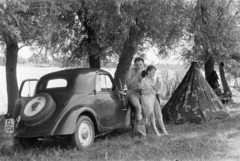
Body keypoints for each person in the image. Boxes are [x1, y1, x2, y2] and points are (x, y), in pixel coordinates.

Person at [140, 65, 168, 136]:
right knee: (152, 115)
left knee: (159, 114)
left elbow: (156, 90)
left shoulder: (154, 80)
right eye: (153, 72)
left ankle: (164, 130)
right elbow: (143, 92)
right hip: (147, 99)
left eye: (154, 72)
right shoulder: (143, 80)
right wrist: (152, 88)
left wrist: (158, 84)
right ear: (148, 71)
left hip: (153, 97)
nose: (154, 74)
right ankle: (156, 131)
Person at [125, 57, 146, 136]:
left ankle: (142, 127)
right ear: (134, 65)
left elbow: (147, 83)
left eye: (140, 65)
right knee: (138, 107)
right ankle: (142, 132)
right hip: (131, 93)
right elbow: (128, 84)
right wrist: (137, 74)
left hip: (141, 93)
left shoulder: (144, 73)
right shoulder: (130, 71)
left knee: (146, 108)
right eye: (137, 65)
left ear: (143, 65)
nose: (139, 67)